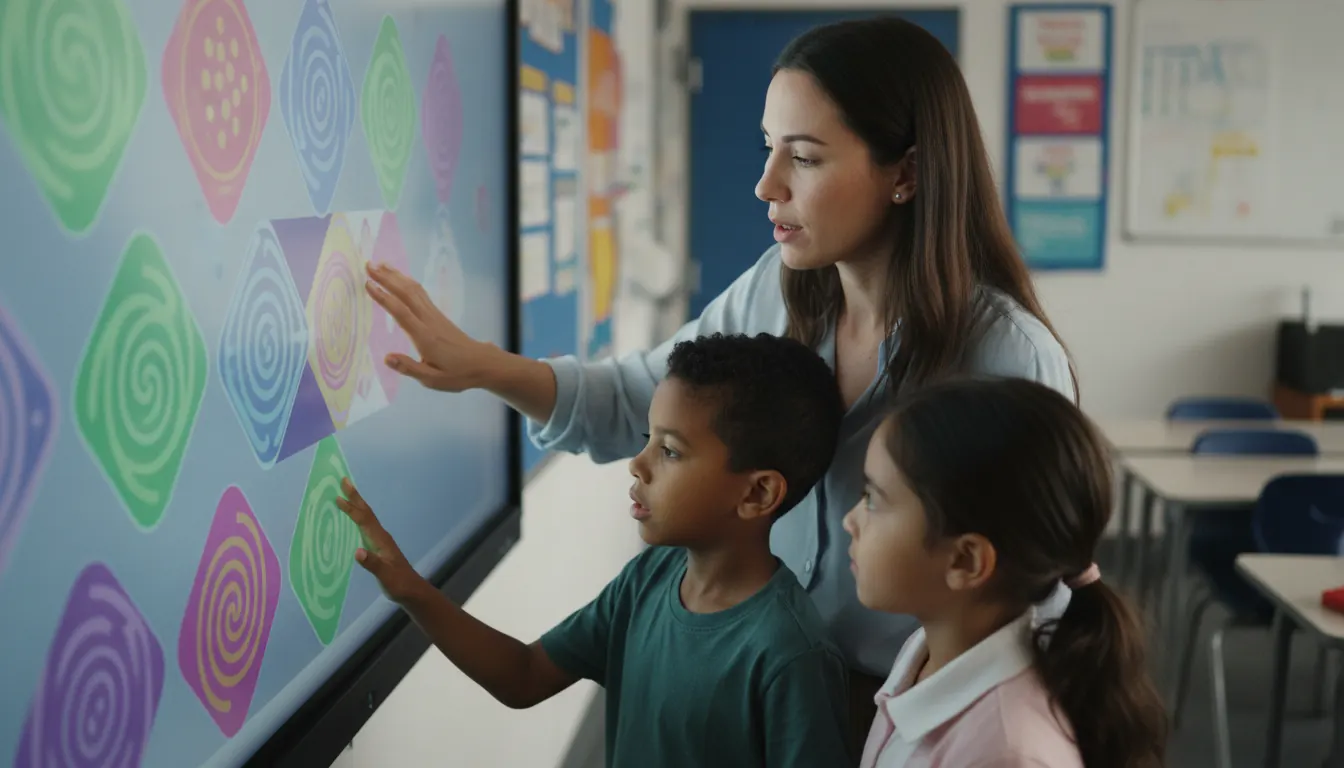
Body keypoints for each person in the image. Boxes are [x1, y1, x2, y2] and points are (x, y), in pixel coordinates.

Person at [361, 14, 1074, 743]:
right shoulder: (778, 289)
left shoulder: (1005, 357)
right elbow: (638, 402)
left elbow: (1032, 593)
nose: (767, 185)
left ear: (909, 173)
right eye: (770, 149)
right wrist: (484, 367)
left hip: (917, 721)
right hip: (751, 695)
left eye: (805, 158)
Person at [338, 332, 854, 766]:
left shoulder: (791, 657)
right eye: (649, 437)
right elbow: (525, 675)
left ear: (757, 493)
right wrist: (411, 591)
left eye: (670, 450)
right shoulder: (650, 578)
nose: (638, 463)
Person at [844, 377, 1167, 768]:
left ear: (966, 561)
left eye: (873, 501)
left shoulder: (1006, 752)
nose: (851, 521)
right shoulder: (928, 649)